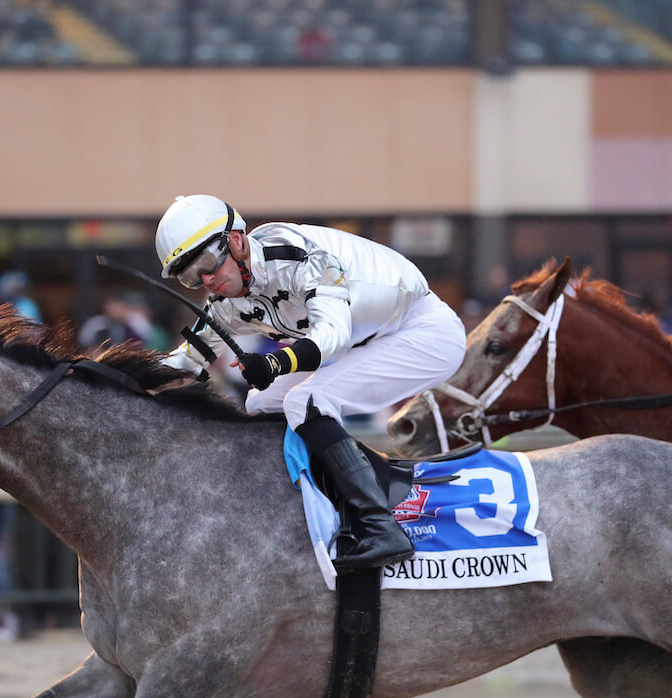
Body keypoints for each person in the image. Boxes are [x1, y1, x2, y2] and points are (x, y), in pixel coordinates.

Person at [155, 194, 465, 570]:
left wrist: (273, 362)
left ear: (236, 241)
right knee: (259, 402)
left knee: (304, 402)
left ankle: (381, 527)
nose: (206, 279)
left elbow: (331, 337)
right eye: (190, 276)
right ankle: (309, 508)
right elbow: (186, 361)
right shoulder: (225, 301)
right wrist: (113, 378)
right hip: (360, 341)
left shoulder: (302, 257)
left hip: (422, 332)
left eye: (206, 262)